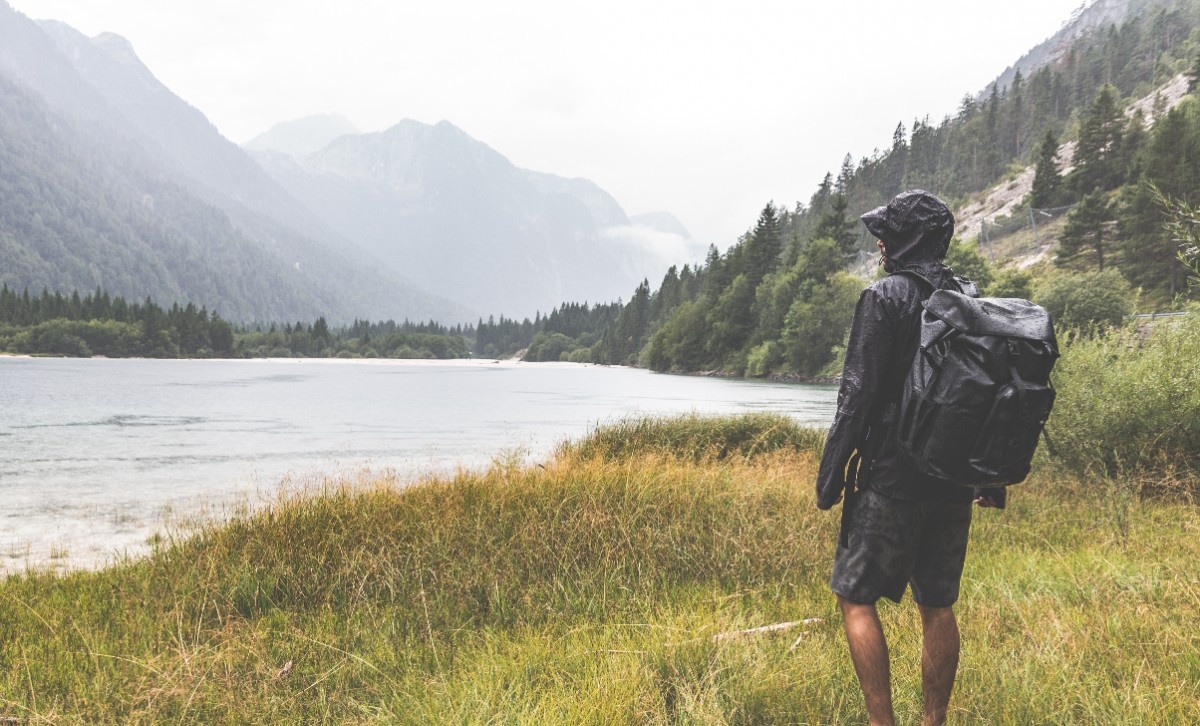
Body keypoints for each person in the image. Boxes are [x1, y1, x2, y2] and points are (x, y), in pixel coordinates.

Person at [815, 189, 1003, 726]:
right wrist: (990, 476)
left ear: (908, 240)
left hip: (891, 478)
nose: (880, 242)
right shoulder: (970, 298)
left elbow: (856, 398)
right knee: (938, 605)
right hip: (953, 478)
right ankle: (933, 722)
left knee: (855, 598)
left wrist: (830, 477)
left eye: (888, 233)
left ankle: (882, 723)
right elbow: (988, 394)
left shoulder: (885, 297)